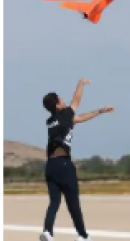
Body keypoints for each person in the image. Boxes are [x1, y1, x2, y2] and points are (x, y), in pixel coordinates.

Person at [42, 79, 114, 241]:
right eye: (61, 99)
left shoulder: (52, 121)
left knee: (54, 201)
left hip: (50, 166)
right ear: (58, 105)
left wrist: (100, 111)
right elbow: (76, 101)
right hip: (64, 164)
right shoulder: (65, 114)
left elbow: (80, 118)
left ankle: (47, 231)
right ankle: (82, 235)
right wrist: (81, 83)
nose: (64, 100)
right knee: (73, 202)